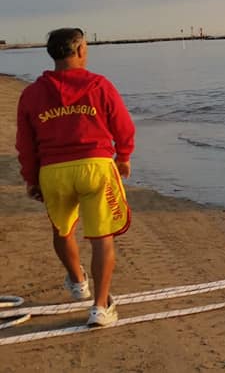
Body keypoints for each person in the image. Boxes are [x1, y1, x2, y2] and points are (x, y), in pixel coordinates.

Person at [15, 28, 135, 327]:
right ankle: (99, 306)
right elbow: (122, 124)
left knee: (62, 230)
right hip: (94, 166)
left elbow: (25, 143)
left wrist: (32, 178)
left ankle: (78, 280)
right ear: (80, 50)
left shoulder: (32, 94)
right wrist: (124, 156)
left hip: (54, 171)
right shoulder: (99, 85)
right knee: (101, 238)